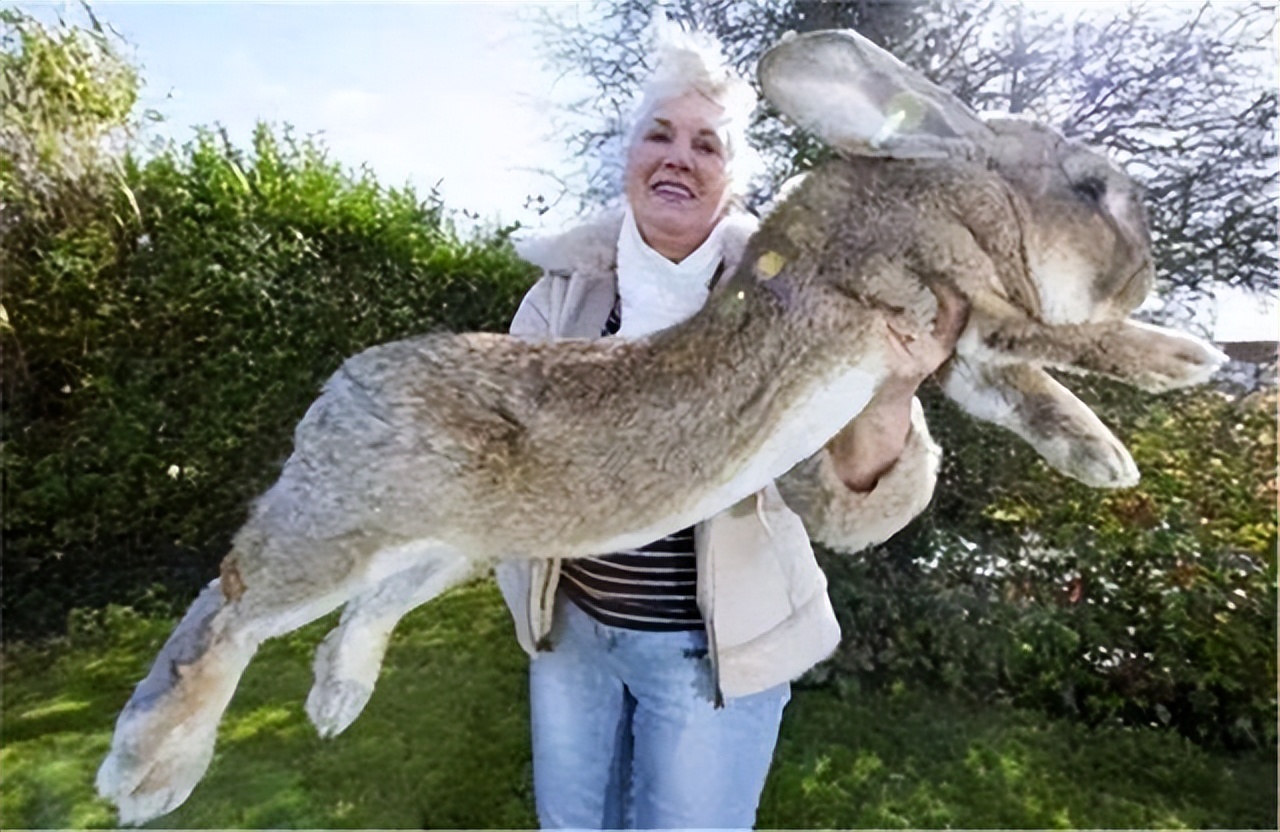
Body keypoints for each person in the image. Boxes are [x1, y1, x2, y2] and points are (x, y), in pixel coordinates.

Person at [496, 30, 967, 830]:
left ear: (731, 180)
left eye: (705, 145)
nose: (679, 156)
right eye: (660, 134)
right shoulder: (563, 294)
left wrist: (891, 393)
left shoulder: (798, 298)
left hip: (710, 656)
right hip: (571, 636)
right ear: (629, 158)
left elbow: (849, 495)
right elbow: (507, 444)